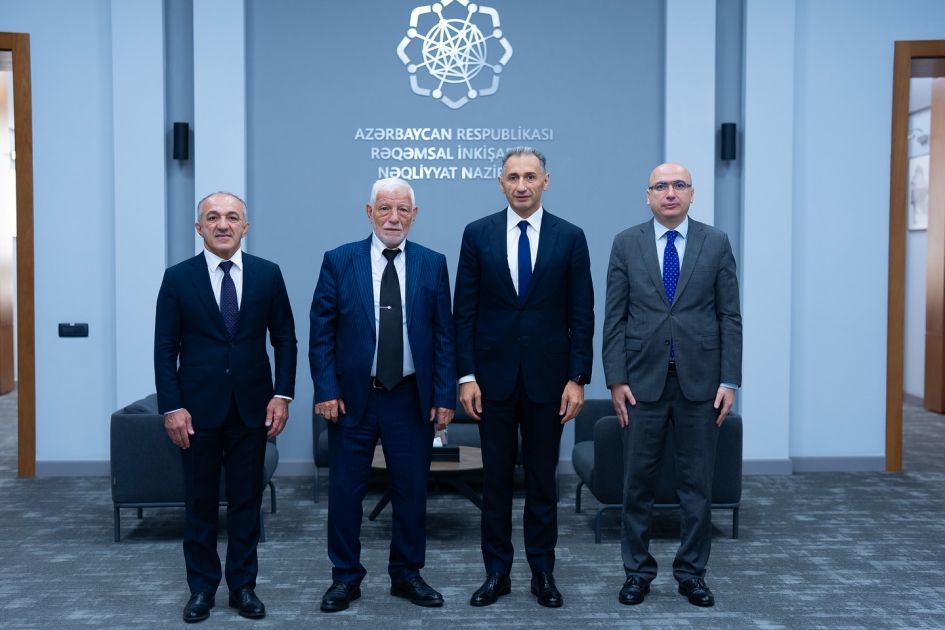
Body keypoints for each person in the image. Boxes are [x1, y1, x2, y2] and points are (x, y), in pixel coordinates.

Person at [454, 147, 594, 608]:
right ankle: (496, 573)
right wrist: (466, 376)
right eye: (513, 177)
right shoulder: (477, 234)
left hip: (549, 381)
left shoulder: (570, 237)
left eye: (530, 176)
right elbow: (464, 312)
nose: (521, 185)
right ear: (501, 183)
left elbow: (582, 313)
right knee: (494, 482)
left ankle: (542, 572)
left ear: (545, 181)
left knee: (541, 483)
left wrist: (577, 377)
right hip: (491, 381)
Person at [309, 177, 456, 613]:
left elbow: (444, 336)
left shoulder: (433, 263)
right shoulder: (339, 261)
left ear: (415, 215)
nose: (394, 218)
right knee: (345, 492)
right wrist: (326, 388)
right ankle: (345, 577)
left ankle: (407, 574)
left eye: (403, 210)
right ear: (369, 212)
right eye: (385, 209)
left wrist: (444, 395)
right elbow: (322, 333)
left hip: (410, 398)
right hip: (352, 397)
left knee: (411, 491)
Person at [602, 163, 742, 608]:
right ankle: (637, 573)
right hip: (641, 384)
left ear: (691, 194)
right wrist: (616, 379)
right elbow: (615, 318)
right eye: (660, 186)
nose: (670, 193)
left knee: (696, 486)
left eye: (679, 185)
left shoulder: (715, 242)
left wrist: (730, 380)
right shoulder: (626, 243)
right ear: (648, 196)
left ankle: (691, 574)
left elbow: (729, 316)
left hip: (701, 384)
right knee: (636, 485)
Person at [155, 192, 297, 623]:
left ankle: (243, 587)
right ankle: (201, 589)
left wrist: (282, 394)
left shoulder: (268, 274)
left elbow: (285, 339)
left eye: (232, 217)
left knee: (245, 502)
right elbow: (165, 348)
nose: (223, 224)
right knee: (199, 503)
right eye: (213, 217)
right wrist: (172, 407)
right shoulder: (178, 279)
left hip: (252, 409)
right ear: (199, 227)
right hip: (195, 412)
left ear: (245, 227)